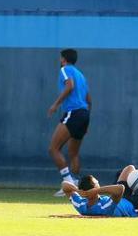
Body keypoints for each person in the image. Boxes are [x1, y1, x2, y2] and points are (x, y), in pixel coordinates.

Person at [48, 49, 91, 196]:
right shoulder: (81, 75)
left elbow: (69, 85)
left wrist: (56, 104)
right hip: (84, 114)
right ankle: (77, 184)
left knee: (53, 149)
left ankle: (68, 183)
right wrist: (87, 122)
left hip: (73, 112)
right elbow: (89, 100)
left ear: (63, 59)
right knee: (73, 153)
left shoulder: (65, 69)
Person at [62, 164, 138, 217]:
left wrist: (78, 190)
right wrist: (97, 190)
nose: (99, 183)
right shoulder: (103, 207)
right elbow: (120, 189)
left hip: (122, 198)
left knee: (129, 168)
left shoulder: (81, 204)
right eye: (97, 183)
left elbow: (64, 185)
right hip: (135, 206)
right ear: (94, 190)